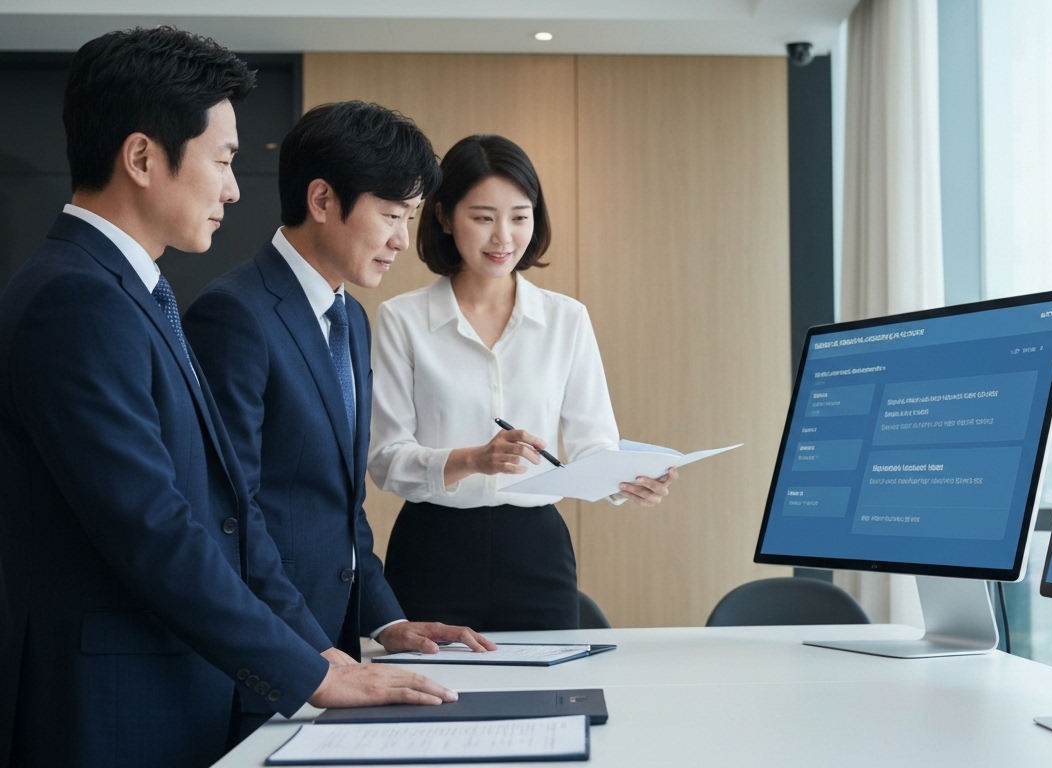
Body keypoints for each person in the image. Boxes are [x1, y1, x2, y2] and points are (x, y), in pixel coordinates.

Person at [0, 28, 454, 768]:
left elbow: (221, 513)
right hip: (112, 708)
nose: (236, 188)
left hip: (171, 686)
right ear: (144, 157)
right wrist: (310, 667)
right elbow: (155, 529)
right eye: (224, 160)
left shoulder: (131, 293)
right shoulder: (76, 303)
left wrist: (324, 650)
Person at [185, 101, 497, 738]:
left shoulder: (350, 319)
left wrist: (385, 623)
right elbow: (232, 517)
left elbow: (341, 504)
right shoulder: (235, 315)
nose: (401, 241)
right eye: (389, 215)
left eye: (410, 218)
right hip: (271, 662)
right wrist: (309, 652)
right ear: (322, 198)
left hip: (338, 654)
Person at [369, 134, 677, 632]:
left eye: (519, 216)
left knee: (552, 695)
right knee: (432, 698)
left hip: (537, 553)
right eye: (484, 217)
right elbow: (385, 461)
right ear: (445, 217)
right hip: (432, 550)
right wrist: (473, 459)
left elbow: (592, 444)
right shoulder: (401, 320)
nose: (503, 238)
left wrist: (630, 480)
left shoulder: (567, 319)